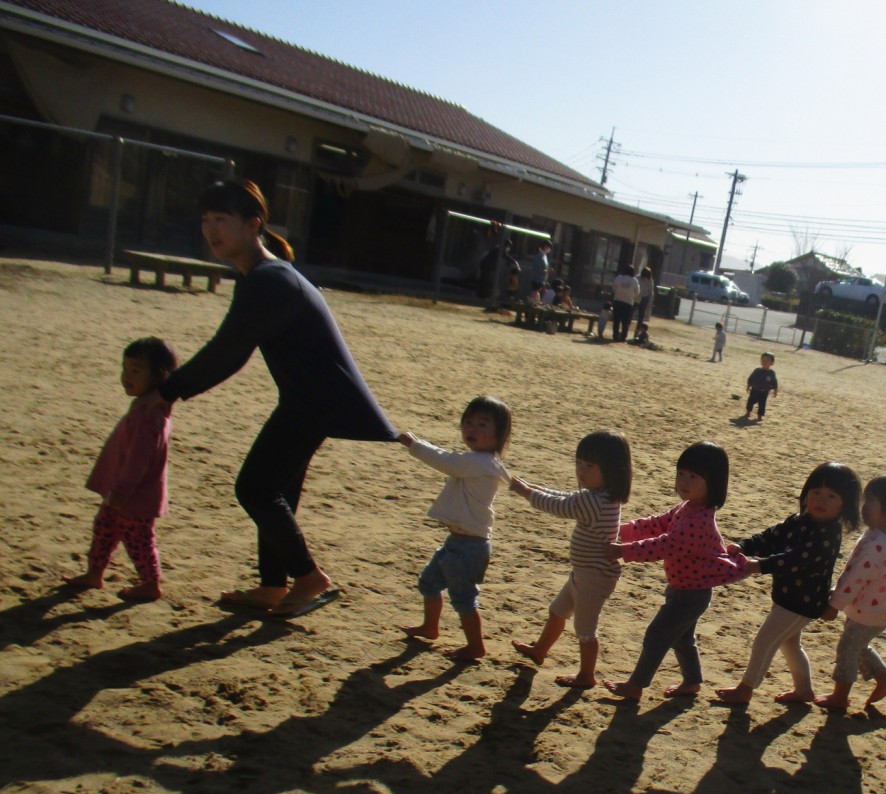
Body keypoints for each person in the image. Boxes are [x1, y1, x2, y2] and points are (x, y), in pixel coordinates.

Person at [146, 179, 397, 616]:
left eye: (221, 220)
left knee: (255, 488)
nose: (211, 230)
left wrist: (167, 391)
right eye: (205, 220)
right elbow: (231, 349)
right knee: (276, 490)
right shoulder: (260, 277)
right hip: (308, 400)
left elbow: (228, 352)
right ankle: (272, 586)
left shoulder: (270, 279)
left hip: (315, 402)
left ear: (253, 224)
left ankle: (309, 578)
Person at [603, 441, 749, 700]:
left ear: (712, 483)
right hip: (683, 588)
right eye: (681, 473)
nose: (684, 481)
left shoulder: (699, 520)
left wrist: (623, 551)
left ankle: (635, 686)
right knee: (682, 639)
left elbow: (663, 545)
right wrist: (622, 529)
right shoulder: (687, 507)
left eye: (693, 477)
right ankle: (692, 682)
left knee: (656, 635)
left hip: (691, 595)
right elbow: (657, 524)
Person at [715, 462, 863, 707]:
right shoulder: (800, 519)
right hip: (787, 596)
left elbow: (795, 558)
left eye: (831, 496)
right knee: (789, 643)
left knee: (765, 640)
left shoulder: (827, 534)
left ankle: (745, 689)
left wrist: (760, 565)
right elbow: (773, 535)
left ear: (843, 505)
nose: (821, 501)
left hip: (803, 602)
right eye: (816, 493)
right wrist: (745, 545)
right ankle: (804, 690)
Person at [509, 430, 632, 688]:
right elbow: (564, 495)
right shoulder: (600, 495)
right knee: (557, 612)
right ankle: (539, 650)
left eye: (589, 466)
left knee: (585, 630)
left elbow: (559, 506)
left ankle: (587, 675)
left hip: (594, 576)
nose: (581, 471)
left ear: (611, 470)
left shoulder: (595, 500)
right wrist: (532, 488)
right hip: (584, 571)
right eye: (579, 463)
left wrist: (526, 493)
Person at [398, 396, 512, 662]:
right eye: (468, 423)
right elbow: (450, 460)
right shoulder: (475, 460)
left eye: (483, 425)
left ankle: (475, 646)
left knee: (463, 599)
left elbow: (446, 461)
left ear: (499, 435)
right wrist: (418, 444)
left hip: (470, 546)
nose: (472, 429)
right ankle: (430, 627)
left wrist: (415, 444)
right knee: (428, 583)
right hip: (456, 541)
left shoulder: (481, 462)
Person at [67, 337, 179, 603]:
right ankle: (94, 573)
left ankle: (150, 583)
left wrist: (121, 491)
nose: (126, 377)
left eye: (136, 371)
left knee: (138, 539)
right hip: (122, 490)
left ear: (159, 375)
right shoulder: (145, 405)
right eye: (125, 369)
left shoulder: (149, 415)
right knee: (104, 527)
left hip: (133, 495)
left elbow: (139, 460)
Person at [816, 475, 886, 711]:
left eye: (871, 501)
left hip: (870, 610)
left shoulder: (877, 544)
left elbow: (854, 578)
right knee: (859, 645)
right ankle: (884, 681)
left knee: (847, 648)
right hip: (881, 610)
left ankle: (840, 696)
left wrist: (834, 604)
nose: (864, 507)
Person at [611, 264, 641, 342]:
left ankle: (615, 335)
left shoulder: (619, 278)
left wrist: (618, 293)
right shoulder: (634, 281)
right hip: (628, 303)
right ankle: (623, 337)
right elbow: (637, 292)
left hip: (617, 301)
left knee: (616, 320)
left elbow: (614, 287)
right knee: (625, 321)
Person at [745, 354, 779, 420]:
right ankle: (748, 412)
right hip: (755, 390)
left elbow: (775, 382)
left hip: (764, 392)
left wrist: (775, 391)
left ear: (772, 363)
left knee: (762, 404)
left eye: (767, 360)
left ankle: (759, 416)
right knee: (750, 402)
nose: (764, 362)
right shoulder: (757, 370)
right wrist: (748, 386)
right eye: (763, 360)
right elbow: (750, 378)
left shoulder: (771, 373)